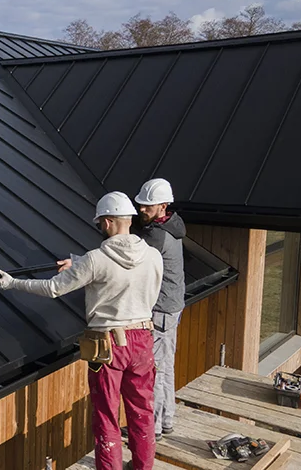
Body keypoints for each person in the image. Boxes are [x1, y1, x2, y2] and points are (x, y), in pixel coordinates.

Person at [0, 192, 163, 470]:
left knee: (107, 415)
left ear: (106, 222)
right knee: (142, 412)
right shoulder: (153, 255)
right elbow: (119, 270)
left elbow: (53, 288)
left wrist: (12, 283)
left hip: (108, 346)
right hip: (143, 339)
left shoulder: (95, 260)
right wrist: (79, 263)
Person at [133, 178, 185, 441]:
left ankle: (152, 429)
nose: (141, 210)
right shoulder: (172, 226)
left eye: (148, 206)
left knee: (155, 369)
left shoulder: (156, 236)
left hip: (162, 310)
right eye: (140, 205)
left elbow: (131, 256)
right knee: (166, 366)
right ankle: (166, 421)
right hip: (171, 306)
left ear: (163, 206)